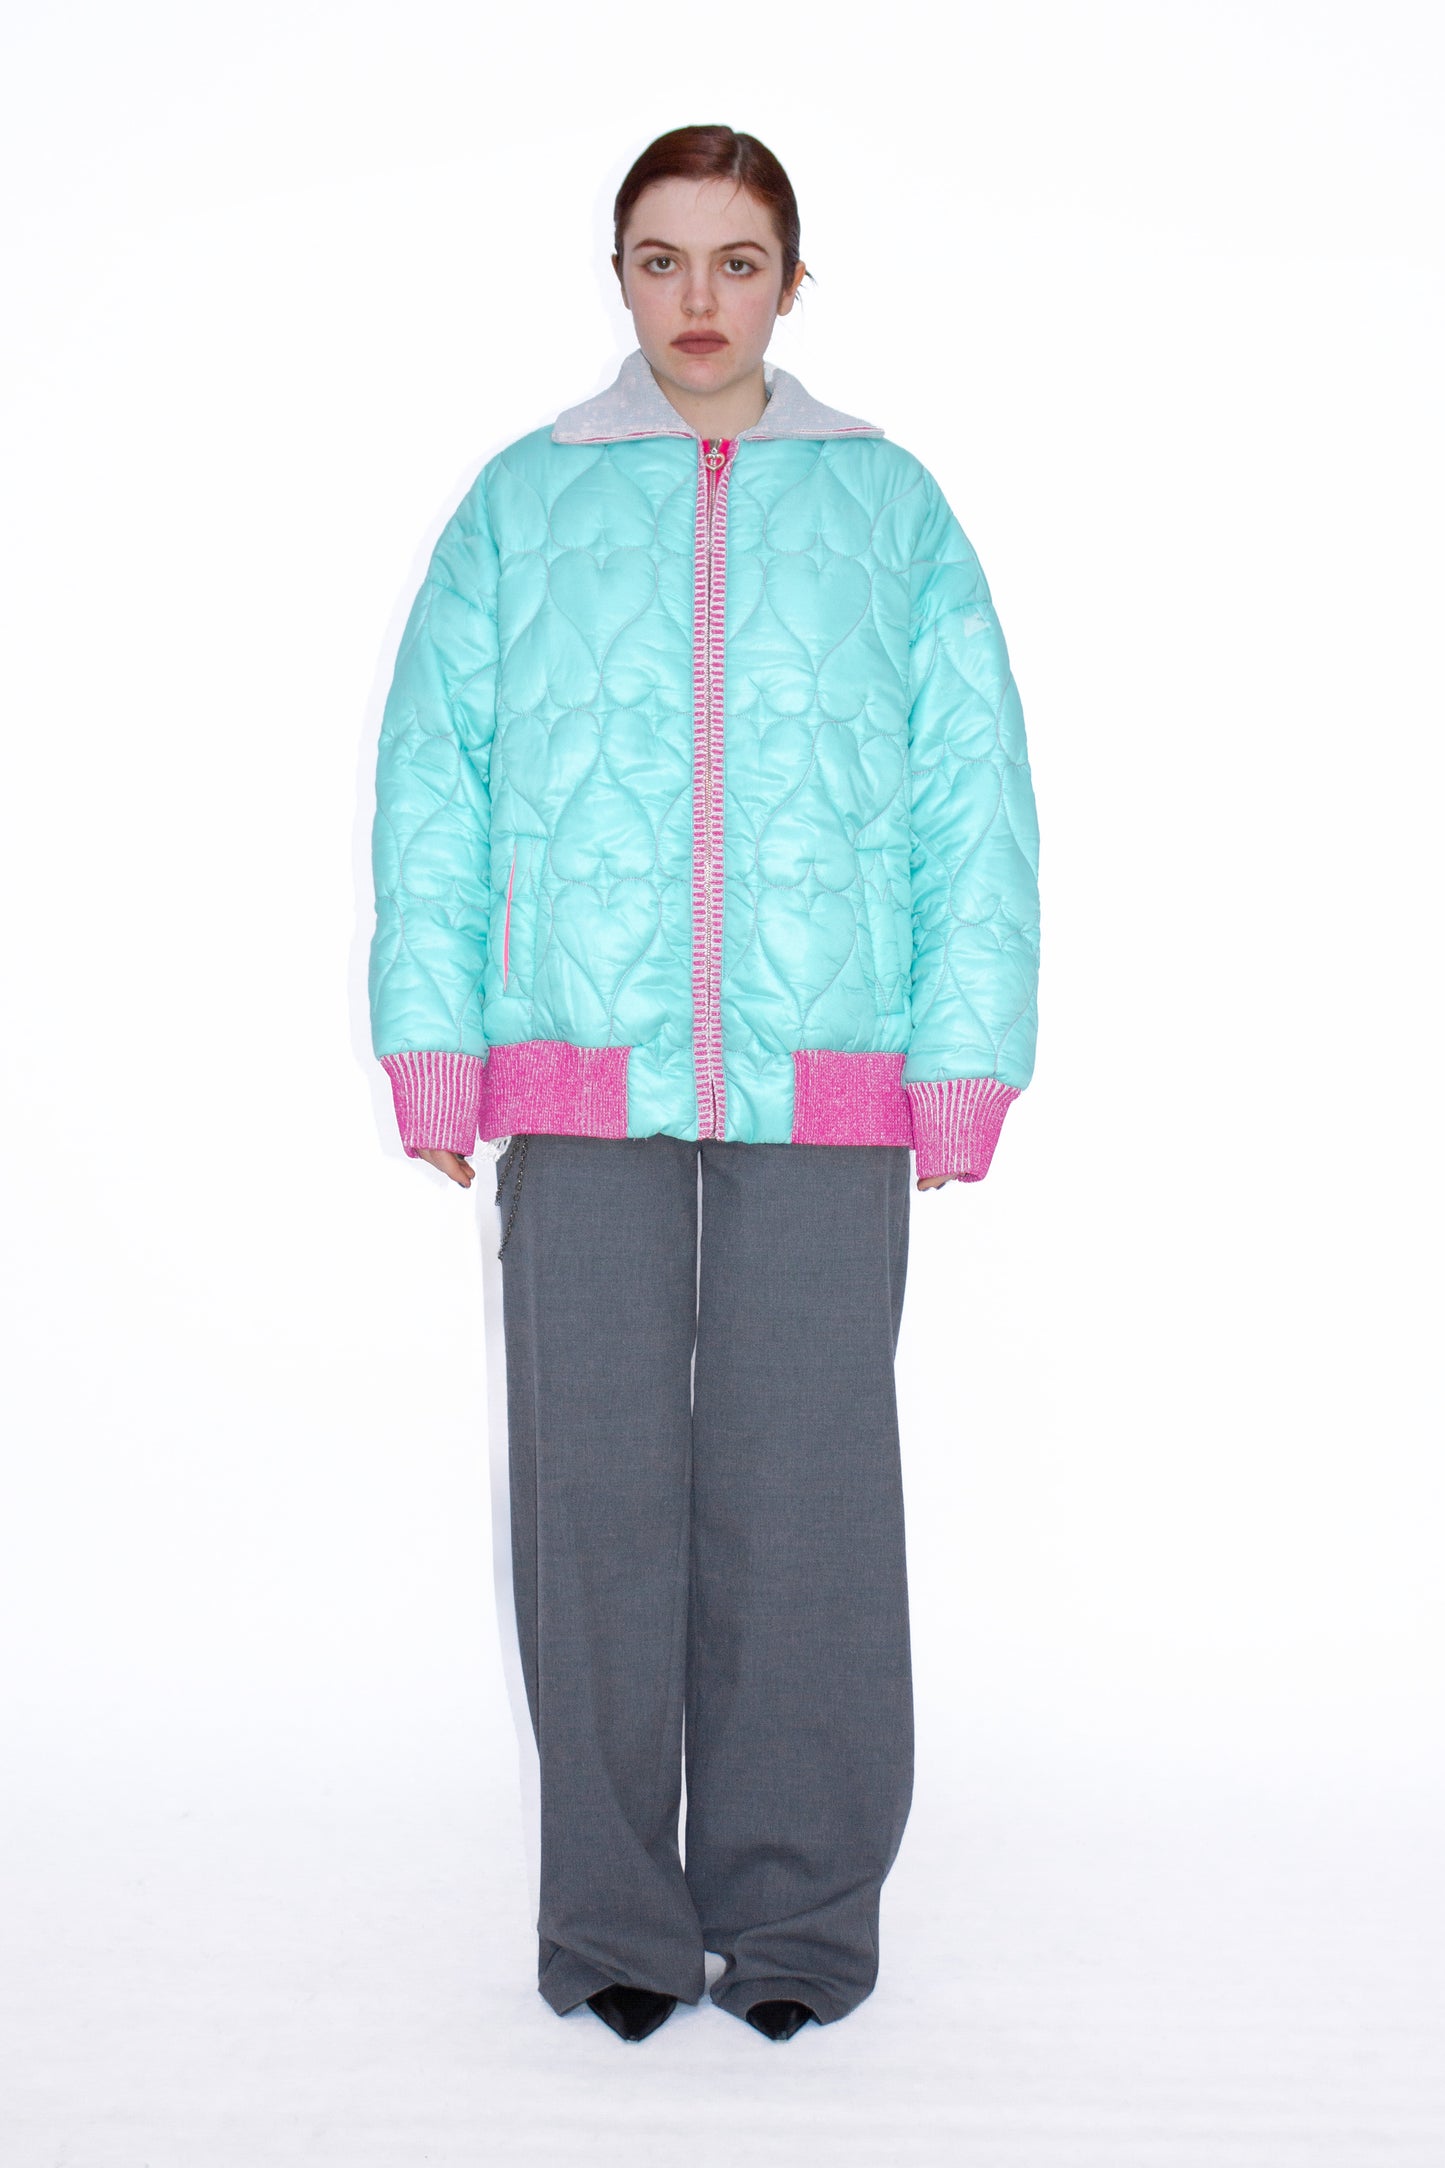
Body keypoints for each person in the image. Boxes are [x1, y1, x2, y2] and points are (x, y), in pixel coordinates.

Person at [366, 124, 1041, 2045]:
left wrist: (961, 1061)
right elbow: (432, 782)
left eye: (735, 262)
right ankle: (613, 1924)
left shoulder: (888, 505)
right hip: (576, 1070)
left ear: (791, 283)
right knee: (588, 1500)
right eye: (659, 260)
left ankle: (800, 1921)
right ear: (618, 275)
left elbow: (971, 793)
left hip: (826, 1071)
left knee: (806, 1497)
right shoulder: (523, 500)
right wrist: (437, 1050)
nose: (696, 300)